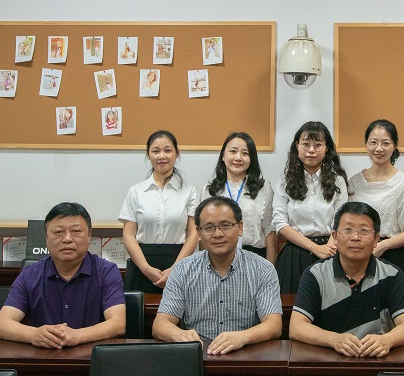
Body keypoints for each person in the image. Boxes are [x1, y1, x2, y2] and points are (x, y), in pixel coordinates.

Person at [153, 196, 282, 354]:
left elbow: (274, 325)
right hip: (198, 355)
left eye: (226, 225)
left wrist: (243, 337)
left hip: (246, 354)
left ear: (240, 228)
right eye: (209, 228)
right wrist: (179, 335)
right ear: (199, 232)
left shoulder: (263, 269)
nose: (218, 234)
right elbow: (160, 324)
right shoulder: (182, 270)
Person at [289, 201, 404, 357]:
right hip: (329, 360)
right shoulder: (315, 274)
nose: (355, 237)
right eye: (348, 230)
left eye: (364, 231)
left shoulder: (392, 274)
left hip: (377, 360)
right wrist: (334, 340)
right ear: (335, 237)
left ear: (376, 239)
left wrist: (387, 340)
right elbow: (296, 327)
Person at [0, 202, 125, 349]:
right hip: (43, 356)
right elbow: (1, 325)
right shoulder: (30, 274)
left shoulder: (106, 271)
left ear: (89, 235)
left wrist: (77, 336)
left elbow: (118, 324)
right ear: (46, 237)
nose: (67, 239)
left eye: (76, 231)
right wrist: (34, 334)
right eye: (58, 232)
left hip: (92, 357)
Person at [272, 121, 349, 293]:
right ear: (297, 146)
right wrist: (315, 248)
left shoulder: (338, 181)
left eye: (318, 145)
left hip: (331, 250)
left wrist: (328, 250)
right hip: (295, 254)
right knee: (293, 304)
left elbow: (342, 220)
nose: (311, 150)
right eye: (306, 144)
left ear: (326, 148)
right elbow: (280, 223)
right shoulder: (284, 181)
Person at [118, 130, 199, 292]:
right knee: (139, 308)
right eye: (156, 151)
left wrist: (175, 269)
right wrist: (145, 268)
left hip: (179, 263)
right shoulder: (136, 191)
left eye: (168, 150)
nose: (162, 156)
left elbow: (194, 234)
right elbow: (128, 235)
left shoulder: (189, 192)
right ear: (148, 155)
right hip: (141, 265)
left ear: (176, 154)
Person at [347, 119, 404, 278]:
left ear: (394, 145)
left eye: (385, 143)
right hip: (359, 253)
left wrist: (383, 245)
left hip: (394, 255)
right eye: (373, 142)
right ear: (366, 144)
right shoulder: (354, 183)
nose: (379, 148)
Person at [205, 132, 277, 262]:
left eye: (245, 153)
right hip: (218, 257)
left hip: (255, 257)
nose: (238, 158)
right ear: (223, 156)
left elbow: (269, 229)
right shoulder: (210, 190)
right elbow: (204, 230)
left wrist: (271, 268)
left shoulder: (264, 188)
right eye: (233, 151)